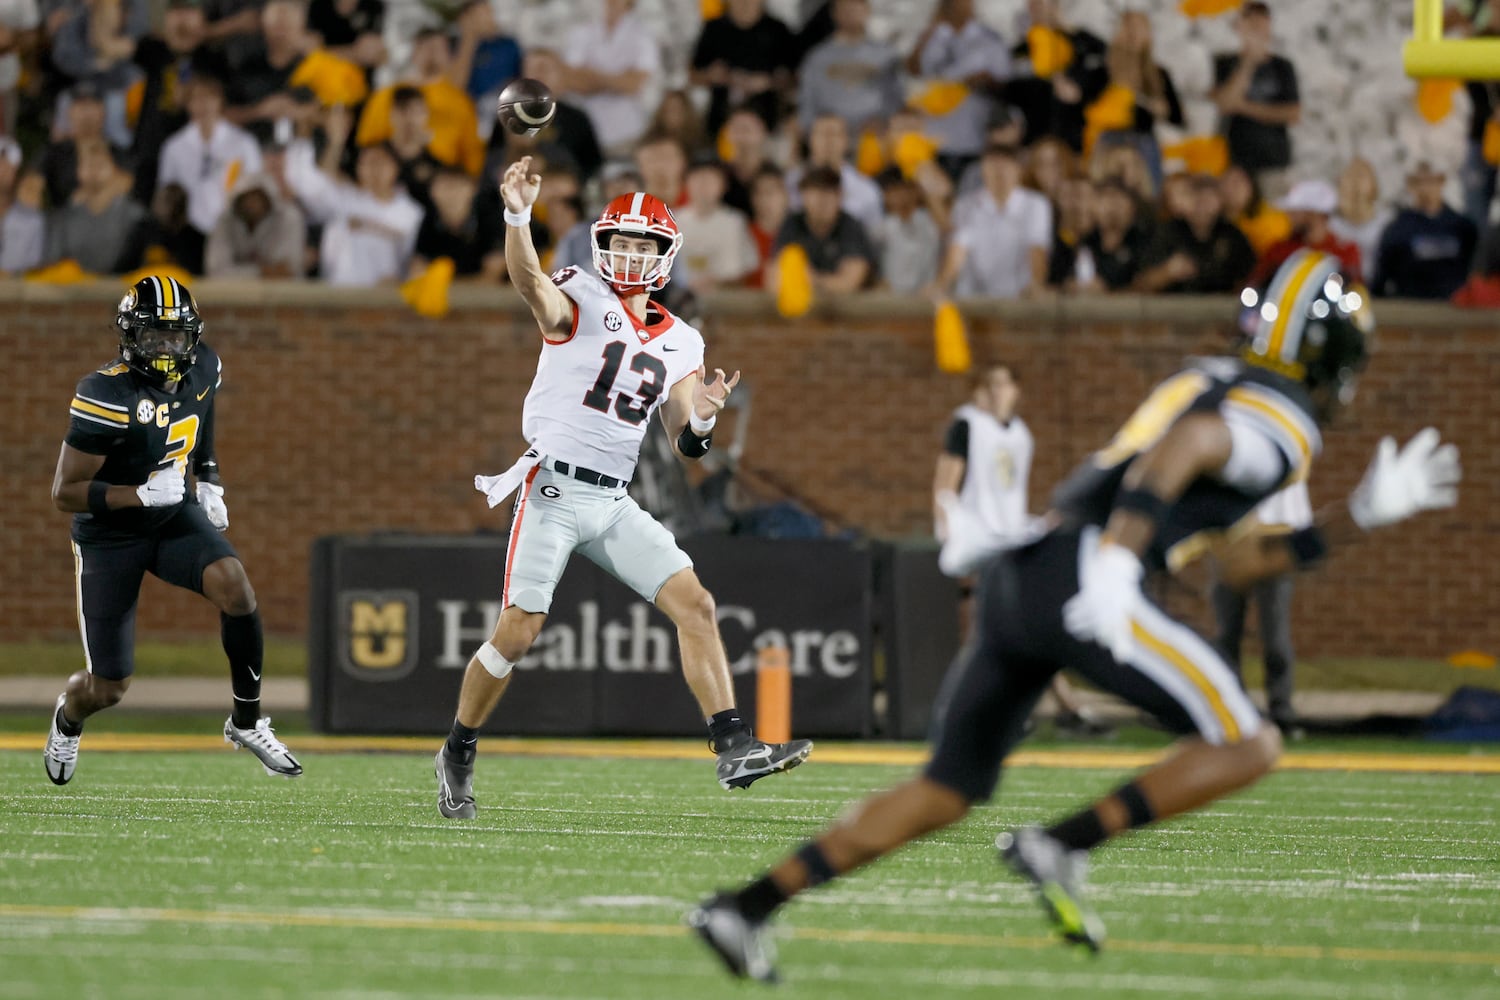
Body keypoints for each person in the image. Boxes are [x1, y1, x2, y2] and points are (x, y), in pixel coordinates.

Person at [689, 248, 1461, 980]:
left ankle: (746, 907)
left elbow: (1234, 561)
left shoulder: (1219, 377)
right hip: (1089, 573)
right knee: (1249, 742)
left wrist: (1356, 515)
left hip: (1028, 571)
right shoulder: (1281, 416)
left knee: (946, 788)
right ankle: (1061, 845)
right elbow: (1189, 445)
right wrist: (1121, 564)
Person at [434, 155, 814, 819]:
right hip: (551, 488)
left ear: (666, 255)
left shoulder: (683, 341)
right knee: (518, 634)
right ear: (602, 246)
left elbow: (685, 444)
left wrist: (703, 417)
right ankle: (459, 747)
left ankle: (733, 747)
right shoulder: (578, 292)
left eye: (645, 245)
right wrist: (518, 215)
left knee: (696, 603)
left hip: (611, 500)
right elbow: (527, 282)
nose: (633, 255)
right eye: (623, 242)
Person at [43, 274, 302, 787]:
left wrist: (208, 477)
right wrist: (134, 495)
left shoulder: (205, 364)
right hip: (110, 534)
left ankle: (246, 722)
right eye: (154, 336)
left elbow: (200, 418)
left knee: (236, 586)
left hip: (169, 517)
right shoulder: (105, 391)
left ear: (193, 336)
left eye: (175, 336)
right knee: (109, 686)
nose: (166, 347)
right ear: (129, 337)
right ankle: (68, 717)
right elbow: (65, 492)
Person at [932, 362, 1103, 734]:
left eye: (1003, 384)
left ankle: (1054, 706)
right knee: (997, 624)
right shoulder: (967, 425)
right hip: (980, 536)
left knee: (1023, 620)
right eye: (988, 384)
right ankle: (1026, 706)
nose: (995, 393)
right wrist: (950, 528)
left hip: (1009, 535)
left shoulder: (1019, 433)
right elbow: (946, 483)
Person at [1210, 481, 1311, 735]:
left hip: (1276, 544)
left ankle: (1282, 712)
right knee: (1226, 634)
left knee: (1275, 636)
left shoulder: (1287, 455)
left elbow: (1298, 514)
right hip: (1231, 544)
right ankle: (1230, 710)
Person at [1211, 1, 1300, 197]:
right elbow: (1225, 105)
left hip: (1274, 163)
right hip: (1234, 163)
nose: (1257, 27)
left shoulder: (1282, 66)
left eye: (1262, 21)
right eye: (1251, 21)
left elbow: (1292, 113)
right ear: (1239, 26)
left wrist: (1242, 106)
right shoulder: (1225, 63)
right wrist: (1248, 64)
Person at [1373, 161, 1478, 300]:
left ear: (1441, 181)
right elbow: (1380, 279)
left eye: (1431, 181)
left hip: (1454, 310)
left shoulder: (1463, 227)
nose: (1425, 188)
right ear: (1410, 186)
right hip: (1412, 309)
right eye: (1418, 182)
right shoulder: (1397, 229)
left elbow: (1477, 273)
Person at [1247, 178, 1362, 287]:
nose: (1289, 217)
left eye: (1295, 211)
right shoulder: (1279, 250)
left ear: (1314, 214)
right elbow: (1254, 286)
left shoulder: (1345, 252)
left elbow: (1356, 293)